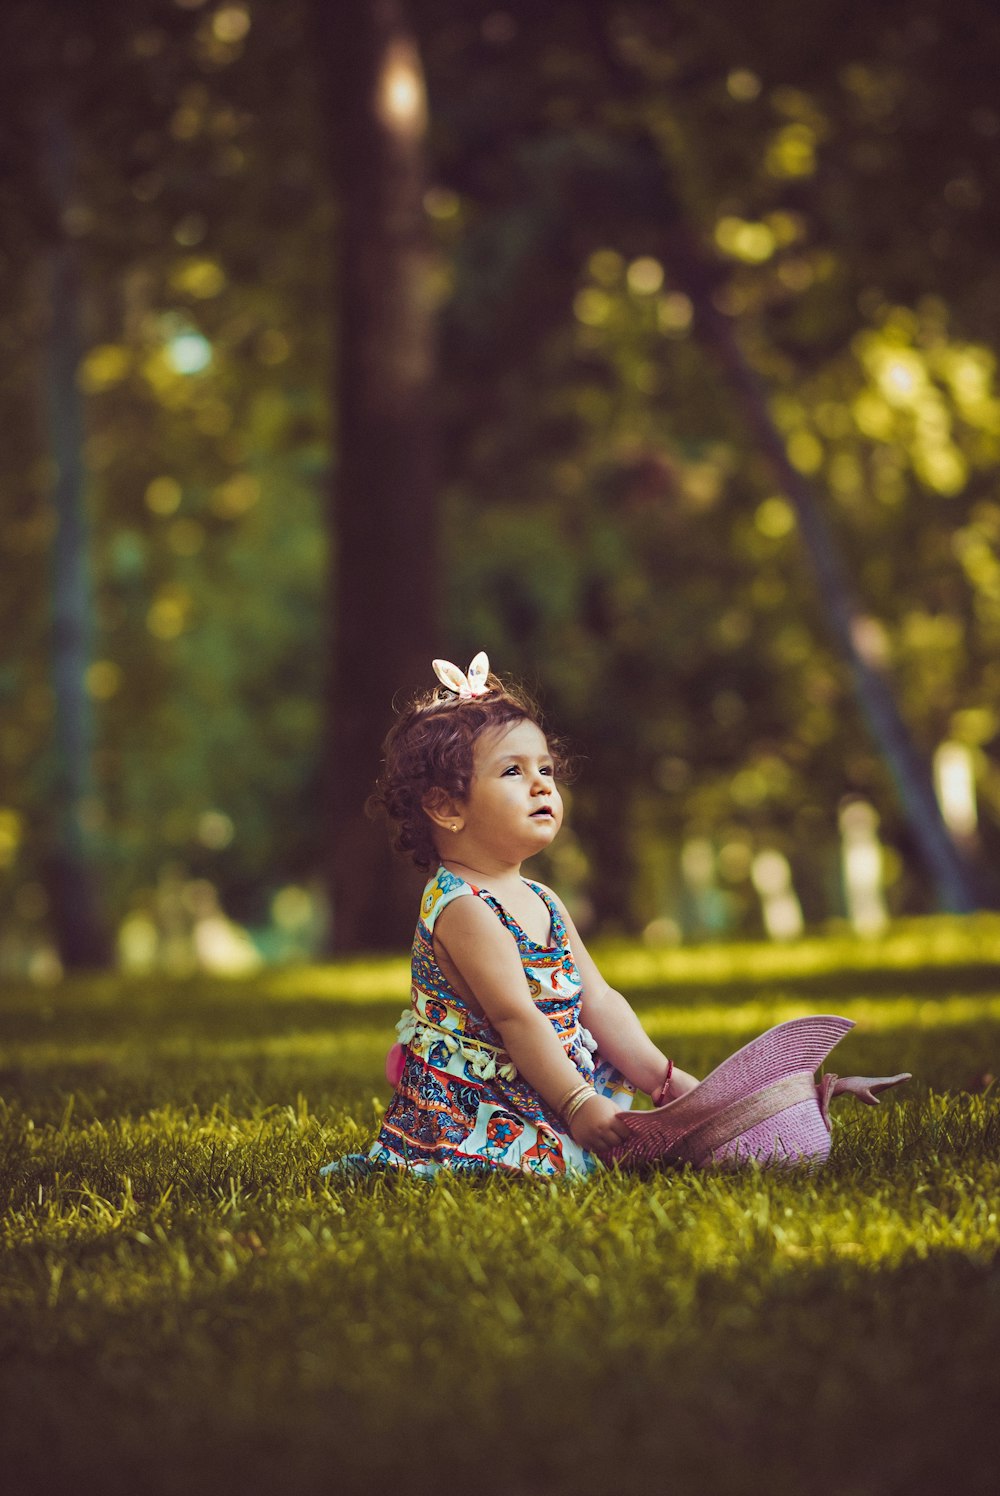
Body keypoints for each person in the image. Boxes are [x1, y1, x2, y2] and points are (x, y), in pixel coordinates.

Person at [322, 651, 698, 1180]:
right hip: (483, 1106)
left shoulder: (543, 899)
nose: (543, 785)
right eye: (513, 772)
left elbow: (600, 1001)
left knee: (645, 1146)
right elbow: (515, 1018)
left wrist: (667, 1083)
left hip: (552, 1080)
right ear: (447, 807)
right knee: (560, 1165)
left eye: (545, 769)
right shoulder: (462, 908)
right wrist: (577, 1103)